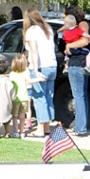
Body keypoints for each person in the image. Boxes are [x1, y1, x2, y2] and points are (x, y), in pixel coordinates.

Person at [24, 8, 58, 136]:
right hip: (52, 65)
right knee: (49, 96)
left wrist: (35, 69)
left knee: (39, 97)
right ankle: (47, 126)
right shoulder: (47, 28)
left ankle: (40, 128)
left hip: (40, 66)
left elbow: (34, 51)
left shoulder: (31, 31)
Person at [62, 6, 90, 137]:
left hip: (77, 63)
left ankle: (80, 127)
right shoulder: (86, 24)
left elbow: (85, 40)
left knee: (78, 96)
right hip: (82, 64)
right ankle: (80, 124)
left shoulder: (82, 25)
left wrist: (69, 45)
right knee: (82, 96)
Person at [9, 54, 43, 139]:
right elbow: (30, 81)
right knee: (22, 117)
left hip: (15, 99)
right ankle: (22, 132)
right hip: (24, 98)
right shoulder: (24, 73)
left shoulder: (11, 74)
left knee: (14, 116)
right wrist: (39, 79)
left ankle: (16, 131)